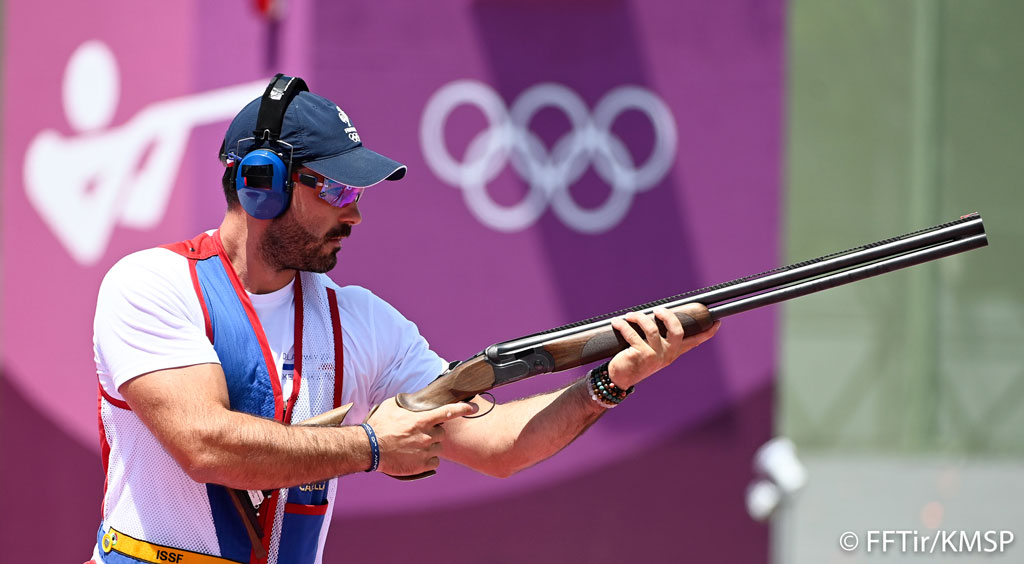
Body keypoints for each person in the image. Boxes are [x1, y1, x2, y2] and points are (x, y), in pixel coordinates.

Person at [89, 75, 720, 564]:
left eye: (356, 193)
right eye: (335, 190)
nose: (354, 213)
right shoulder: (152, 284)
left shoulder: (358, 320)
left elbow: (497, 447)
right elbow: (206, 446)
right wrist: (370, 448)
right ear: (262, 184)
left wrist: (608, 382)